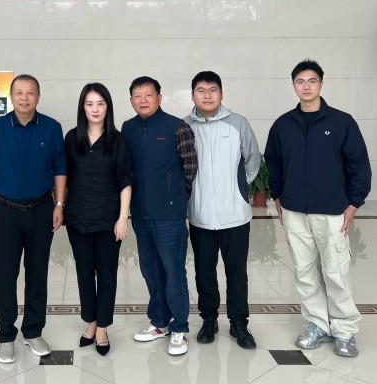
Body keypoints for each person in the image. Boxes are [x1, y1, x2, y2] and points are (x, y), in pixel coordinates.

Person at [264, 59, 371, 358]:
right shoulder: (283, 125)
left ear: (321, 84)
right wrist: (278, 196)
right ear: (293, 86)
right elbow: (273, 162)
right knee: (304, 271)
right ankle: (316, 324)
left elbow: (358, 164)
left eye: (312, 80)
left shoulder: (341, 122)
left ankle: (345, 330)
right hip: (295, 211)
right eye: (300, 81)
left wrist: (353, 204)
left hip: (332, 210)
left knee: (336, 272)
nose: (306, 86)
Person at [0, 74, 67, 364]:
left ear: (38, 97)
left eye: (30, 93)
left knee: (37, 273)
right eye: (19, 93)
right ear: (11, 96)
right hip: (4, 211)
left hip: (41, 210)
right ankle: (6, 335)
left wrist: (59, 204)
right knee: (4, 275)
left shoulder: (51, 127)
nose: (24, 98)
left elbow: (60, 167)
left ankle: (33, 331)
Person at [121, 76, 197, 356]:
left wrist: (173, 197)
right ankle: (159, 322)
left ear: (159, 97)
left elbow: (190, 168)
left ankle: (180, 327)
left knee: (173, 272)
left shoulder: (177, 127)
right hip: (140, 214)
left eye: (148, 95)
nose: (143, 100)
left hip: (169, 215)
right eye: (137, 96)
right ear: (131, 101)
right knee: (150, 270)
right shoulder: (127, 128)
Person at [185, 71, 260, 349]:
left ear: (221, 94)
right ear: (192, 95)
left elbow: (253, 160)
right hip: (200, 216)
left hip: (235, 216)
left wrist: (238, 190)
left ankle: (239, 323)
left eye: (213, 90)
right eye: (201, 90)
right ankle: (209, 320)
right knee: (204, 272)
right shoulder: (184, 126)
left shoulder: (238, 123)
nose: (207, 95)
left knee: (236, 273)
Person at [64, 83, 133, 356]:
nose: (95, 109)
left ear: (108, 107)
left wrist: (122, 218)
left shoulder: (118, 141)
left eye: (100, 103)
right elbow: (65, 177)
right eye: (90, 103)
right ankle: (90, 321)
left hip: (108, 221)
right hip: (78, 219)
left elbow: (125, 180)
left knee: (106, 275)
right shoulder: (72, 138)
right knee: (84, 273)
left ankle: (102, 327)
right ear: (82, 107)